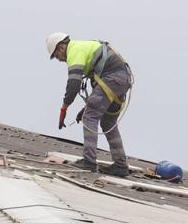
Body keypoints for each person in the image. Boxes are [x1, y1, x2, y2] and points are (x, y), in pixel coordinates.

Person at [46, 32, 134, 176]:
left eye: (56, 55)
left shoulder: (74, 50)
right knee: (107, 121)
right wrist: (87, 106)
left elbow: (74, 83)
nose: (59, 59)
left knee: (90, 117)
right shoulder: (83, 47)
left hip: (112, 78)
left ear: (61, 47)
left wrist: (64, 107)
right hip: (121, 79)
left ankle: (89, 163)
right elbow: (99, 91)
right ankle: (120, 165)